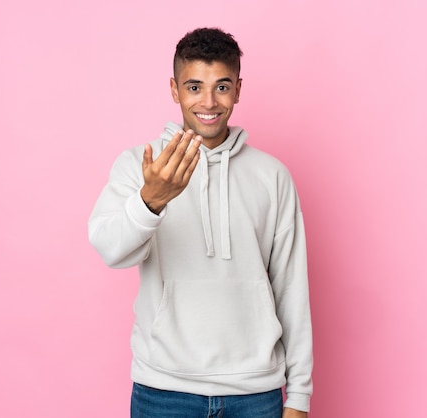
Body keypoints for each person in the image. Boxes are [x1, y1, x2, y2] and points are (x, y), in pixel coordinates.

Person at [88, 27, 313, 418]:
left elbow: (291, 286)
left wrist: (299, 395)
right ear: (174, 90)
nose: (208, 101)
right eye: (194, 87)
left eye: (222, 87)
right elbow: (110, 250)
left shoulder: (272, 176)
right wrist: (150, 201)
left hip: (255, 394)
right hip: (164, 390)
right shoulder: (140, 166)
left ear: (238, 90)